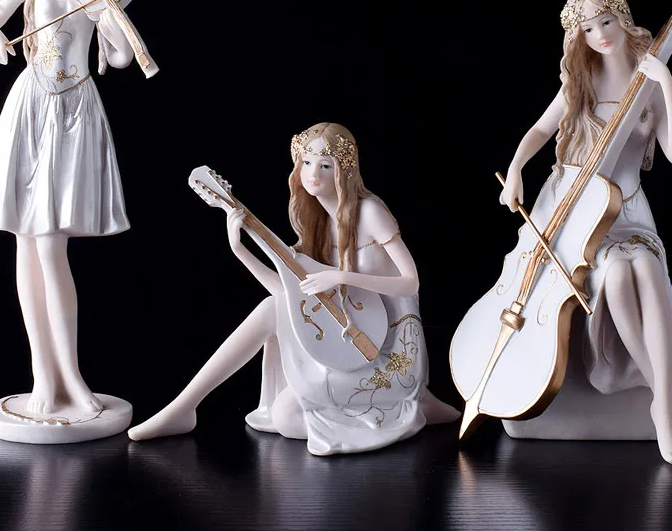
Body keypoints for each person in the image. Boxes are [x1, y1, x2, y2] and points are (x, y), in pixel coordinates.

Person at [128, 122, 460, 455]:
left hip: (391, 352)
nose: (313, 173)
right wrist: (240, 250)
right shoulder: (320, 224)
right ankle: (184, 407)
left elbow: (411, 282)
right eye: (307, 162)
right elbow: (288, 296)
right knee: (271, 310)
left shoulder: (370, 212)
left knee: (286, 418)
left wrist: (342, 277)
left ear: (345, 169)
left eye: (325, 165)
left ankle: (408, 404)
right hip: (350, 340)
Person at [498, 0, 672, 466]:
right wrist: (517, 170)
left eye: (605, 21)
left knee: (649, 270)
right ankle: (665, 402)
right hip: (578, 213)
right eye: (587, 29)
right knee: (616, 275)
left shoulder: (649, 80)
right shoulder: (581, 81)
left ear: (622, 17)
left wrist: (666, 81)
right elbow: (541, 129)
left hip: (628, 210)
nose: (600, 35)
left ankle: (661, 403)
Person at [0, 0, 136, 417]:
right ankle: (45, 377)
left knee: (47, 243)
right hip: (31, 103)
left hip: (73, 109)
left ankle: (70, 376)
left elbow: (119, 57)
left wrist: (107, 12)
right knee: (27, 240)